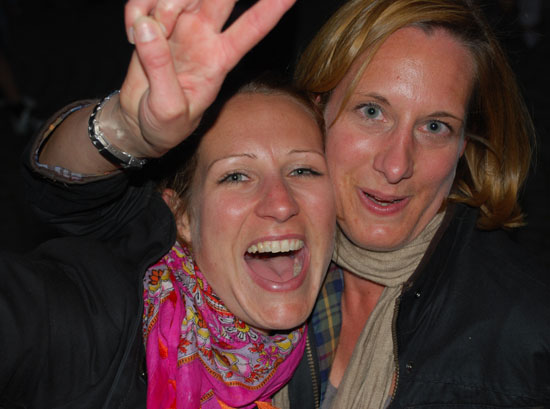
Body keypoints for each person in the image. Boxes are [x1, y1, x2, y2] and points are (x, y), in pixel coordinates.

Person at [19, 0, 550, 408]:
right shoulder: (235, 258)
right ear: (320, 112)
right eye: (371, 111)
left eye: (435, 127)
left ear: (464, 145)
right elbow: (72, 201)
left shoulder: (525, 333)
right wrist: (127, 129)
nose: (396, 164)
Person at [1, 0, 338, 408]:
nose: (281, 204)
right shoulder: (106, 322)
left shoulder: (329, 334)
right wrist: (124, 129)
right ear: (182, 216)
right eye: (236, 176)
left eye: (303, 170)